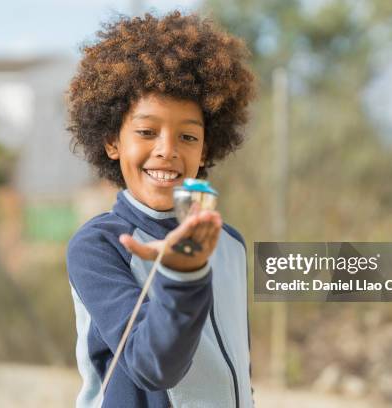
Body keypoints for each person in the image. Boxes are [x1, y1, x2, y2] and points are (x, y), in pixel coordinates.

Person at [66, 10, 256, 408]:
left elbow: (236, 370)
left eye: (187, 135)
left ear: (205, 147)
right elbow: (154, 367)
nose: (167, 149)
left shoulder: (230, 244)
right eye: (146, 131)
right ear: (111, 142)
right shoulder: (99, 246)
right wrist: (182, 275)